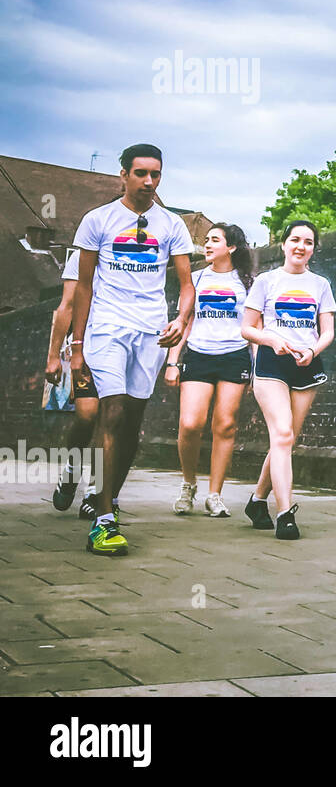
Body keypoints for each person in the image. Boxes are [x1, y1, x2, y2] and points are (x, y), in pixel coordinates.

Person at [70, 144, 195, 556]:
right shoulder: (98, 220)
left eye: (155, 174)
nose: (148, 182)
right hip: (106, 328)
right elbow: (83, 286)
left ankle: (107, 498)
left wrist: (180, 319)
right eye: (140, 173)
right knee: (114, 409)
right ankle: (103, 522)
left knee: (132, 421)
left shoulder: (172, 224)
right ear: (123, 175)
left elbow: (186, 283)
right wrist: (76, 345)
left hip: (151, 333)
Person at [240, 220, 335, 540]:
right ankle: (285, 513)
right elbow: (247, 328)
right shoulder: (266, 281)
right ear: (283, 244)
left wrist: (312, 349)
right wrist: (270, 340)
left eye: (308, 242)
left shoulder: (320, 284)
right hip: (271, 364)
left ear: (313, 249)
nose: (301, 246)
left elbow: (328, 332)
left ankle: (257, 501)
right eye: (295, 239)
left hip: (306, 366)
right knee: (281, 433)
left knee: (285, 440)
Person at [164, 223, 255, 518]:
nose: (208, 244)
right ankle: (188, 484)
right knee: (190, 423)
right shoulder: (195, 278)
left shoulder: (248, 283)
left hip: (235, 357)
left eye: (215, 240)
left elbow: (255, 328)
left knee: (225, 425)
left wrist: (258, 367)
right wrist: (173, 361)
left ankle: (215, 494)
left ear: (231, 247)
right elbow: (184, 321)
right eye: (207, 240)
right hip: (199, 356)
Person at [44, 246, 101, 513]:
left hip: (125, 346)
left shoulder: (141, 257)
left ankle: (96, 492)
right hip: (87, 346)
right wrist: (53, 355)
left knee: (112, 419)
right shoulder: (82, 256)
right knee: (87, 415)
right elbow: (66, 304)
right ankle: (72, 469)